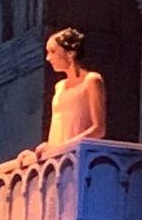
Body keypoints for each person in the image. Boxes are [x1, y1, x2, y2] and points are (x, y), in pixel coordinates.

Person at [16, 27, 106, 168]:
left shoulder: (91, 80)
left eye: (52, 51)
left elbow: (98, 129)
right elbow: (60, 126)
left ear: (70, 53)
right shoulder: (59, 86)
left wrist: (61, 148)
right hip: (58, 160)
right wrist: (43, 151)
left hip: (77, 158)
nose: (48, 58)